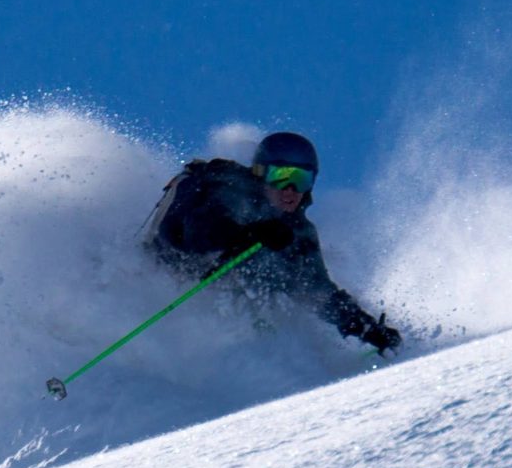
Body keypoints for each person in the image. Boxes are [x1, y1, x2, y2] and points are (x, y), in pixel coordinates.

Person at [147, 131, 404, 355]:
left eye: (301, 180)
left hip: (220, 307)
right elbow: (198, 229)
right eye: (281, 176)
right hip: (166, 274)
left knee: (274, 290)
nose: (290, 189)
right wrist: (247, 233)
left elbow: (317, 291)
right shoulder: (230, 189)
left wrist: (366, 328)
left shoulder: (299, 233)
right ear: (261, 174)